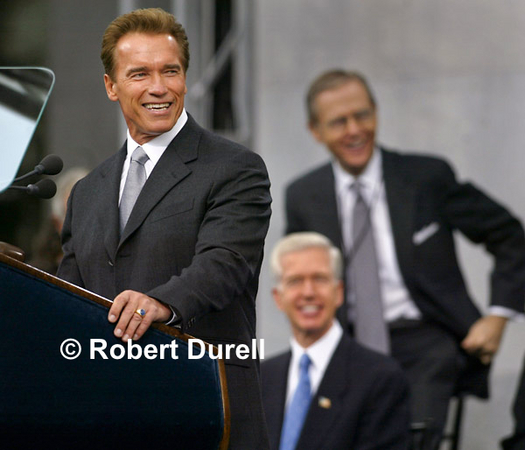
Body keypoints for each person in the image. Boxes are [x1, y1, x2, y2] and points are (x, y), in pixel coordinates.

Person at [57, 8, 271, 449]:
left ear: (185, 79)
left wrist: (159, 302)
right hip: (110, 416)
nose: (159, 87)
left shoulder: (235, 167)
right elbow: (68, 298)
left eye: (170, 71)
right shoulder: (87, 192)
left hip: (205, 405)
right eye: (139, 74)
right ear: (111, 87)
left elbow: (225, 263)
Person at [285, 69, 525, 445]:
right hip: (345, 341)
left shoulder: (427, 177)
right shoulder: (303, 195)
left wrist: (498, 316)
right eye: (338, 122)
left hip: (426, 339)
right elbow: (299, 277)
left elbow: (510, 236)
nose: (354, 130)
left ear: (376, 113)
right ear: (315, 131)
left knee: (409, 435)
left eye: (362, 115)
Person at [261, 232, 410, 450]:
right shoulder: (261, 378)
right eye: (295, 281)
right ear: (278, 298)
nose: (308, 292)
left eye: (319, 279)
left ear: (338, 292)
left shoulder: (380, 378)